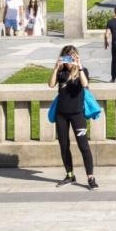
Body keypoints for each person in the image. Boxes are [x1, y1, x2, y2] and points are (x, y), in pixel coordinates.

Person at [48, 45, 98, 190]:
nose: (69, 61)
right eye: (66, 58)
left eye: (72, 57)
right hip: (61, 114)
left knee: (84, 146)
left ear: (76, 57)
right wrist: (56, 68)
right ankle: (70, 175)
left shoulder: (83, 71)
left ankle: (91, 177)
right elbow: (51, 85)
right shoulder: (61, 72)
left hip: (77, 114)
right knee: (64, 146)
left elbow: (85, 84)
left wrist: (79, 67)